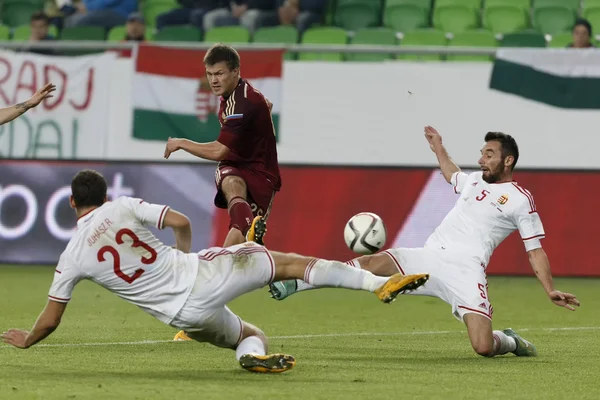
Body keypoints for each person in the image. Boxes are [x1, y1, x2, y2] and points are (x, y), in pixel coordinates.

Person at [0, 170, 429, 374]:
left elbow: (52, 317)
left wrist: (27, 339)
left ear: (73, 204)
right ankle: (378, 282)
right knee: (294, 264)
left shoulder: (72, 254)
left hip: (183, 318)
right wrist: (184, 256)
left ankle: (251, 358)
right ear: (104, 195)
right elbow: (181, 223)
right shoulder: (123, 206)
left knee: (249, 334)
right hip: (198, 275)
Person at [269, 126, 581, 358]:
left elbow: (535, 250)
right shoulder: (473, 180)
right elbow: (451, 173)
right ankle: (295, 283)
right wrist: (438, 149)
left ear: (508, 160)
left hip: (466, 270)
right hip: (429, 257)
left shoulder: (520, 200)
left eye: (489, 154)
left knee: (483, 347)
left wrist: (549, 288)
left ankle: (511, 341)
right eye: (482, 153)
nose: (481, 159)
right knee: (370, 263)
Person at [164, 44, 279, 250]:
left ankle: (247, 238)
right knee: (230, 179)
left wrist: (180, 143)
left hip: (262, 174)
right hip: (238, 164)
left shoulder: (240, 103)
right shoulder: (238, 93)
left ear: (236, 71)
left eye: (219, 73)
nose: (213, 80)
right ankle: (249, 230)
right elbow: (266, 105)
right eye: (209, 74)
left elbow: (219, 150)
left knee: (233, 256)